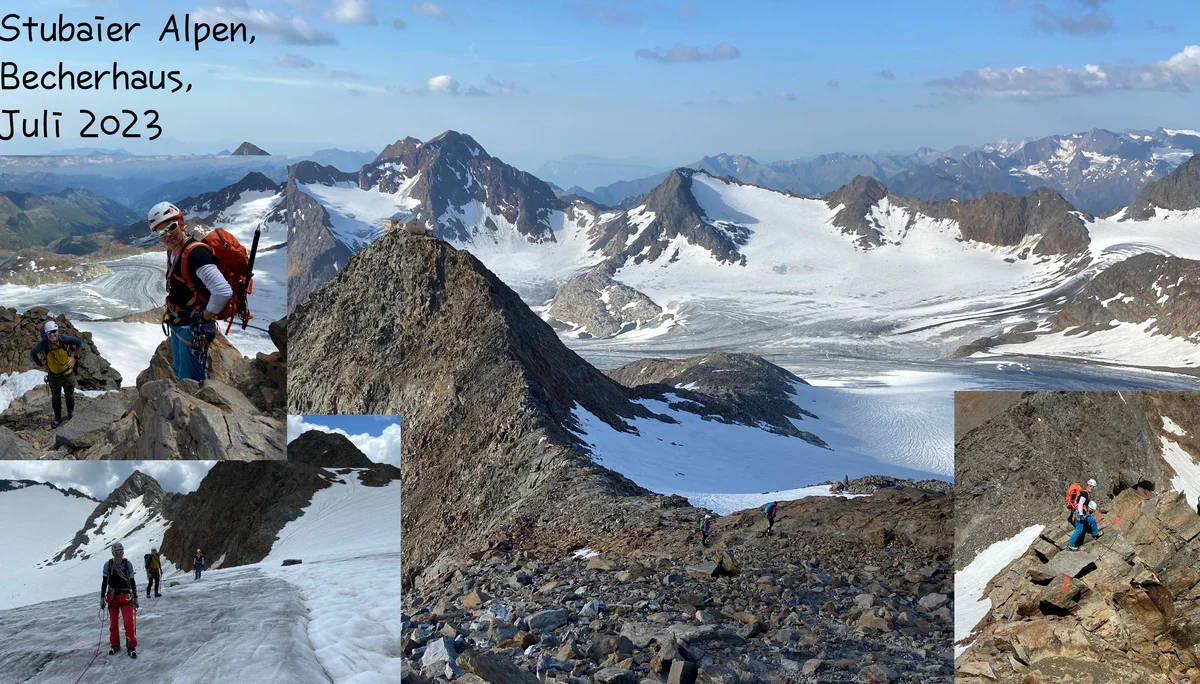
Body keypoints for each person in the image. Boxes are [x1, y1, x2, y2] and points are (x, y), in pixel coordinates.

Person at [147, 202, 232, 382]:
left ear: (181, 223)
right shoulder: (173, 251)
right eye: (161, 232)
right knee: (179, 371)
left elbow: (223, 291)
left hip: (192, 328)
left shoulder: (196, 254)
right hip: (179, 322)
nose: (168, 234)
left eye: (171, 227)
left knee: (189, 380)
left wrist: (204, 316)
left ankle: (194, 407)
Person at [29, 320, 83, 428]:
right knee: (56, 398)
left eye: (54, 331)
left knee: (69, 395)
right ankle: (57, 417)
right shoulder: (44, 344)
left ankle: (70, 413)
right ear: (46, 334)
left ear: (58, 331)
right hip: (54, 376)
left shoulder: (64, 339)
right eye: (49, 333)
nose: (52, 334)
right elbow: (32, 353)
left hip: (67, 373)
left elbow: (79, 343)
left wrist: (74, 358)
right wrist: (41, 366)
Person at [100, 542, 138, 658]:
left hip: (126, 595)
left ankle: (131, 646)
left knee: (128, 622)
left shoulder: (128, 564)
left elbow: (132, 582)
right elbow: (104, 582)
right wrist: (102, 597)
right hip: (113, 596)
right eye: (117, 552)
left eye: (121, 552)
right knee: (113, 623)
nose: (119, 554)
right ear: (113, 553)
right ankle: (115, 645)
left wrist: (135, 597)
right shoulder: (108, 565)